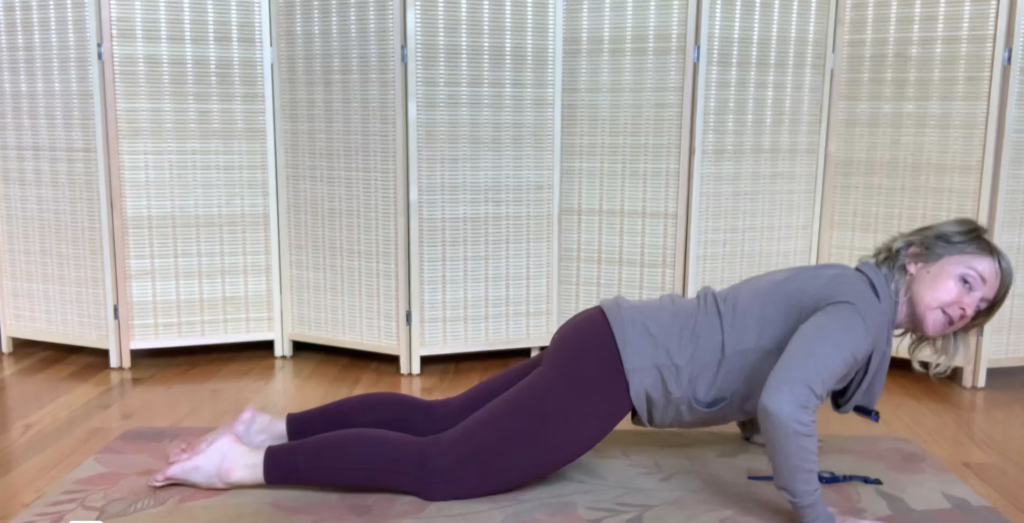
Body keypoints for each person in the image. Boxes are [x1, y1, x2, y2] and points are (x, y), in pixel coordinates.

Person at [149, 218, 1012, 523]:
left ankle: (277, 425)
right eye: (967, 280)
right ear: (918, 257)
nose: (967, 306)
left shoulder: (851, 293)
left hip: (605, 334)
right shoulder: (861, 313)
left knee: (442, 416)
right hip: (618, 367)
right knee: (444, 469)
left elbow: (766, 365)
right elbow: (790, 395)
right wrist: (816, 515)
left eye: (981, 307)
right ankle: (248, 463)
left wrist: (747, 423)